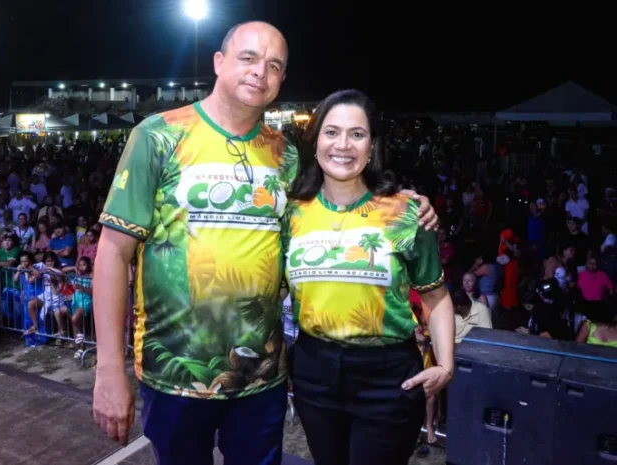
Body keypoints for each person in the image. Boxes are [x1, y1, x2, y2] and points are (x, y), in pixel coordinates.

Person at [93, 21, 438, 465]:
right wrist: (109, 369)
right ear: (219, 62)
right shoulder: (158, 135)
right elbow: (112, 252)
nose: (260, 71)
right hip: (175, 374)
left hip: (262, 378)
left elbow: (340, 197)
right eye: (249, 58)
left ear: (281, 79)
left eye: (274, 65)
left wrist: (401, 202)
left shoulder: (287, 155)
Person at [283, 89, 455, 465]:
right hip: (314, 370)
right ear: (315, 142)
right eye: (331, 132)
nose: (343, 145)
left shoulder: (407, 212)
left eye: (357, 134)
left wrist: (445, 365)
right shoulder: (291, 213)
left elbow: (436, 296)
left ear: (372, 146)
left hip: (388, 377)